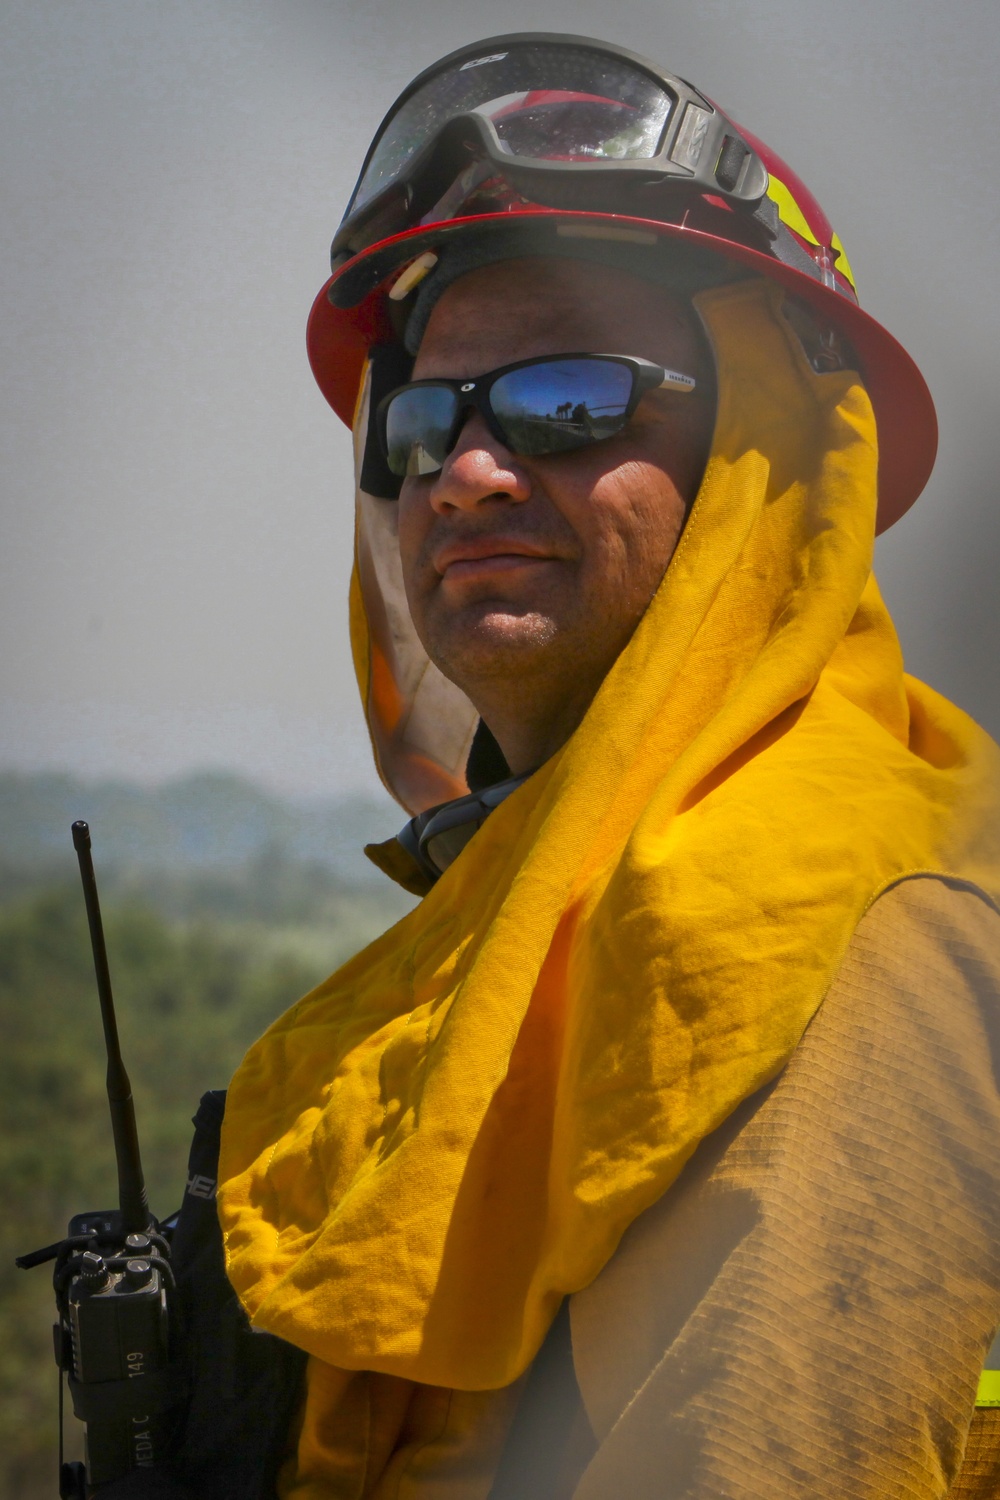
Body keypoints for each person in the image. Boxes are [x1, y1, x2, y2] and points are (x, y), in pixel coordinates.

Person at [215, 34, 1000, 1499]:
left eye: (568, 400)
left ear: (762, 465)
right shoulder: (531, 905)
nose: (467, 471)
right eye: (424, 419)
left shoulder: (844, 938)